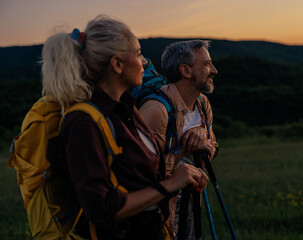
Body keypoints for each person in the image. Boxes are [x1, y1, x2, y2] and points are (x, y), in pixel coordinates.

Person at [41, 15, 208, 239]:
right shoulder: (82, 122)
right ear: (117, 64)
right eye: (138, 54)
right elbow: (102, 208)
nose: (145, 63)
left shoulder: (128, 110)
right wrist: (169, 185)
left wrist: (183, 176)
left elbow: (138, 178)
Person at [139, 40, 218, 239]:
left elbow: (212, 146)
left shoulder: (202, 103)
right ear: (186, 70)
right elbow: (146, 175)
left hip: (190, 198)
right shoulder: (156, 111)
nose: (214, 70)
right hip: (158, 206)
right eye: (207, 64)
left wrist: (204, 141)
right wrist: (184, 147)